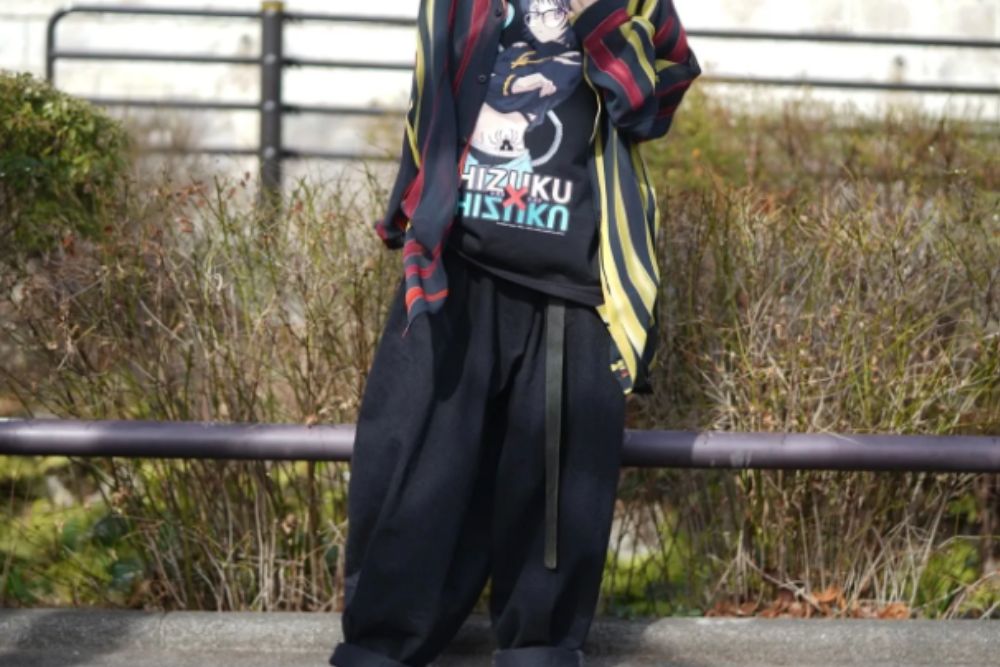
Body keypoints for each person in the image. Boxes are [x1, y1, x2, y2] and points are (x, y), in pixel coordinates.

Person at [329, 0, 700, 665]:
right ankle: (381, 644)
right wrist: (408, 212)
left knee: (554, 497)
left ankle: (540, 647)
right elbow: (429, 96)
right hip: (453, 271)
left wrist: (597, 17)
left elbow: (655, 103)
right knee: (409, 462)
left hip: (574, 284)